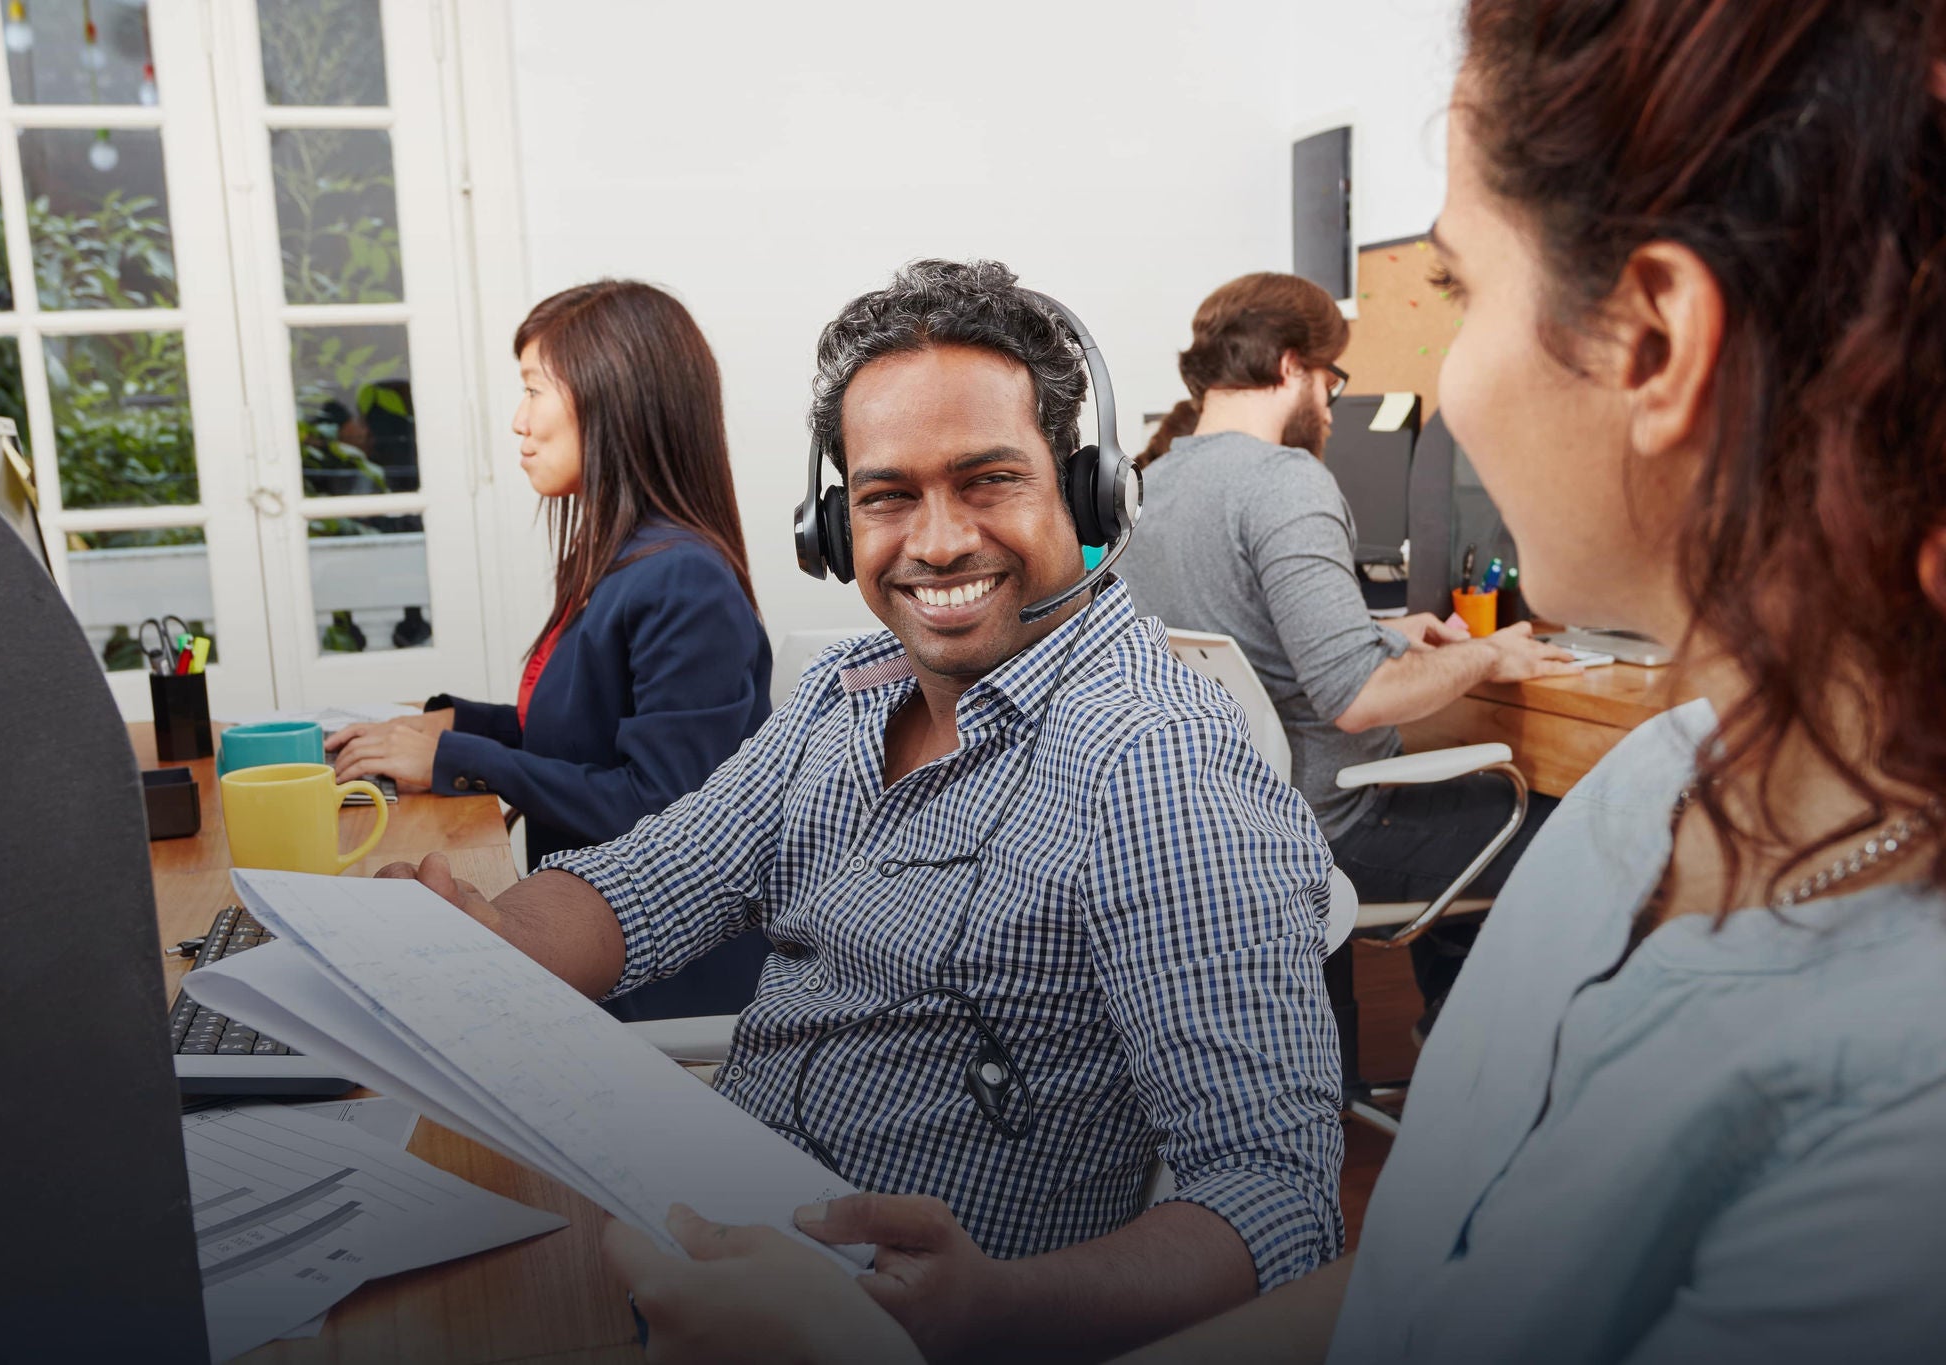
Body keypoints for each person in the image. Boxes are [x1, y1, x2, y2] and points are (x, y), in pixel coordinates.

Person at [599, 1, 1946, 1361]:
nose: (1451, 380)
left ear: (1651, 344)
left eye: (1464, 293)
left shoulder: (1897, 1111)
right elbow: (1413, 1290)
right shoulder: (1646, 798)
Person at [387, 259, 1346, 1359]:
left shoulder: (1156, 766)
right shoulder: (847, 700)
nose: (937, 542)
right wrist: (482, 940)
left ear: (1085, 494)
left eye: (988, 481)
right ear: (834, 525)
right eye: (889, 496)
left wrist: (991, 1307)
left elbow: (1275, 1200)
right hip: (701, 1272)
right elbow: (642, 885)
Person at [1123, 271, 1578, 1043]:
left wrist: (1396, 636)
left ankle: (1443, 1037)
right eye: (1331, 380)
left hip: (1223, 828)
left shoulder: (1152, 483)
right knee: (1579, 828)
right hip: (1336, 830)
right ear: (1292, 366)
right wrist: (1489, 658)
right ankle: (1476, 1062)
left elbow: (1252, 645)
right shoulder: (1284, 481)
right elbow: (1358, 697)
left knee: (1473, 796)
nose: (1331, 406)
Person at [329, 281, 774, 1021]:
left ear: (616, 398)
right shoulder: (624, 562)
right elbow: (585, 735)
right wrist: (452, 725)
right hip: (591, 939)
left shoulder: (685, 580)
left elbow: (659, 809)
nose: (518, 420)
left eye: (535, 389)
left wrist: (458, 759)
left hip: (657, 976)